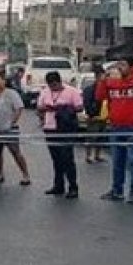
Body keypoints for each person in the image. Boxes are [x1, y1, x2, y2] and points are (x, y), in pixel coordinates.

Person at [96, 58, 133, 204]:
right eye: (118, 65)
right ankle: (117, 190)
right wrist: (104, 79)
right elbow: (100, 96)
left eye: (123, 65)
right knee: (117, 160)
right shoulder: (112, 82)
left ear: (131, 66)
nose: (119, 68)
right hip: (116, 126)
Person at [37, 71, 83, 199]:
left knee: (67, 158)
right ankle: (58, 185)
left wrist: (63, 108)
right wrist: (48, 108)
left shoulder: (72, 91)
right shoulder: (45, 92)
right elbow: (39, 107)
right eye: (50, 85)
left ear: (59, 82)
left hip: (66, 128)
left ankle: (73, 187)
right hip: (50, 128)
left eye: (55, 85)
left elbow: (79, 107)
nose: (53, 88)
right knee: (56, 159)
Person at [0, 72, 31, 185]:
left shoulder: (11, 93)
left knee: (15, 152)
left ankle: (26, 175)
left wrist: (12, 122)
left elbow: (19, 108)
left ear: (4, 81)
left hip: (10, 129)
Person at [83, 64, 107, 164]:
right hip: (94, 116)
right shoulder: (90, 89)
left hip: (103, 116)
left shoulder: (105, 88)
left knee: (100, 137)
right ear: (97, 76)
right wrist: (91, 114)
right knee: (91, 137)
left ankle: (97, 155)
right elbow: (87, 103)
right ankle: (88, 156)